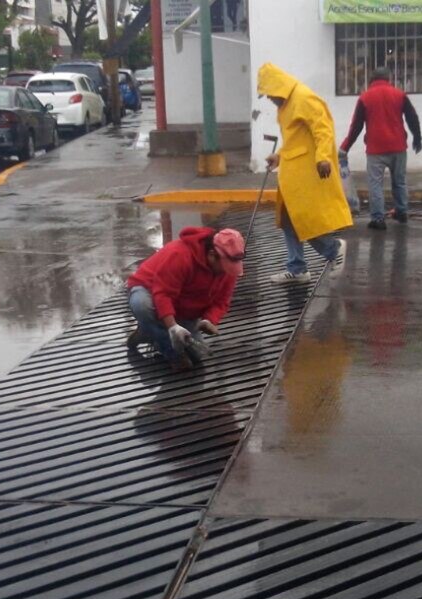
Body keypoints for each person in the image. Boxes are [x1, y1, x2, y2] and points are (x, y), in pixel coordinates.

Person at [256, 63, 351, 285]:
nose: (269, 99)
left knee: (303, 219)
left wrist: (323, 158)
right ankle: (297, 268)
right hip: (293, 172)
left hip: (308, 171)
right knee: (290, 220)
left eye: (270, 94)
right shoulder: (287, 104)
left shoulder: (303, 97)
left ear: (278, 87)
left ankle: (334, 249)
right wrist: (278, 156)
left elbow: (323, 129)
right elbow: (294, 140)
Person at [126, 227, 245, 370]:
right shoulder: (179, 254)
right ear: (212, 254)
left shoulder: (227, 268)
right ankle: (170, 351)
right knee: (142, 306)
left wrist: (209, 319)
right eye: (225, 265)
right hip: (149, 290)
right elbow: (163, 294)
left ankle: (147, 332)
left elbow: (222, 301)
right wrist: (173, 327)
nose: (227, 271)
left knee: (196, 356)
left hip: (182, 307)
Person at [341, 67, 422, 230]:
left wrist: (345, 147)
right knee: (399, 181)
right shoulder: (399, 94)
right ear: (388, 79)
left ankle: (378, 219)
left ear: (371, 80)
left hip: (375, 148)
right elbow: (412, 117)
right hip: (398, 146)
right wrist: (417, 138)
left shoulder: (365, 98)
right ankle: (401, 212)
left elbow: (356, 126)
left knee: (375, 184)